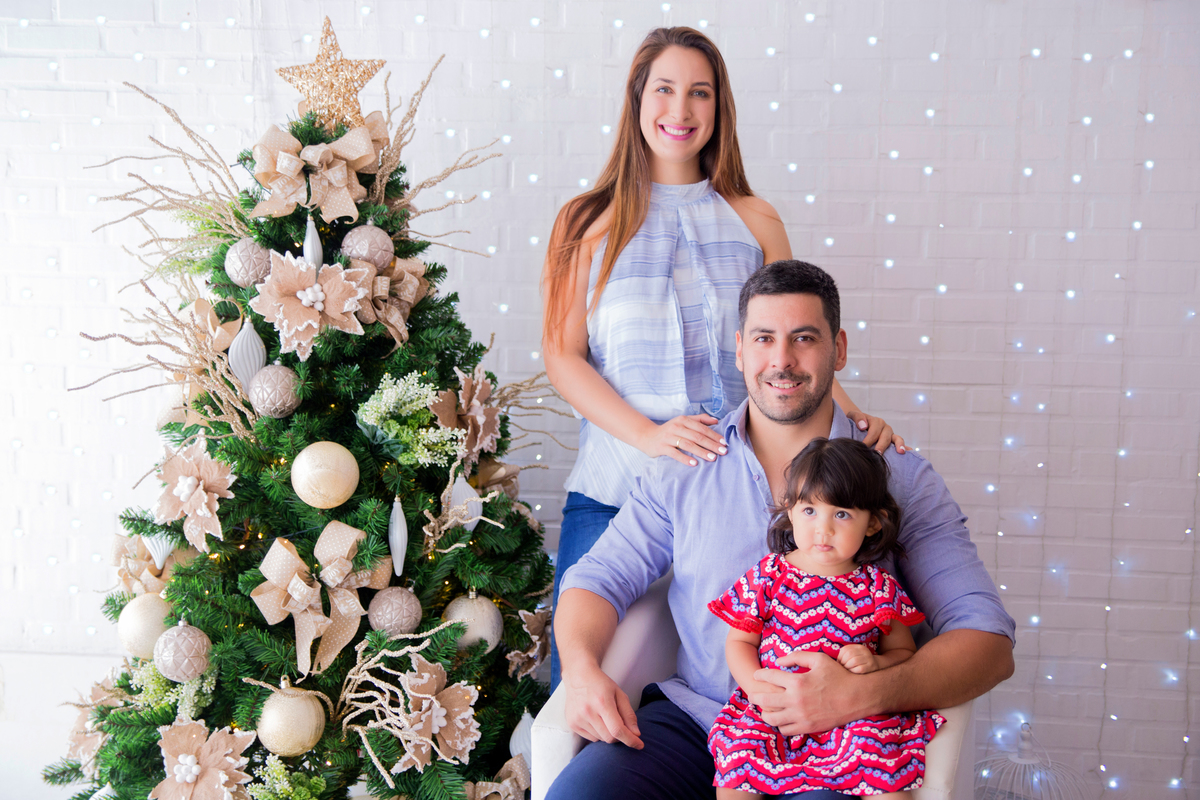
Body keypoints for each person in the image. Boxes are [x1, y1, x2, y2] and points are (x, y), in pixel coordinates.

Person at [549, 260, 1016, 800]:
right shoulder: (685, 466)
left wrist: (860, 696)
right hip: (702, 722)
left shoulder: (898, 476)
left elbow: (987, 640)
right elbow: (600, 577)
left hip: (839, 744)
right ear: (741, 349)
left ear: (838, 349)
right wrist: (581, 670)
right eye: (764, 338)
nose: (782, 360)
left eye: (804, 338)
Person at [542, 27, 900, 687]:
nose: (681, 112)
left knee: (743, 679)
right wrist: (650, 437)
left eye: (699, 93)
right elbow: (564, 359)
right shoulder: (585, 221)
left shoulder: (755, 219)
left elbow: (793, 342)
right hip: (617, 489)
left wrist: (854, 419)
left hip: (743, 498)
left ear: (719, 107)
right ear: (637, 100)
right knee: (582, 684)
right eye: (666, 90)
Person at [708, 437, 944, 799]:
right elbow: (740, 640)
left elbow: (903, 654)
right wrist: (756, 688)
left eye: (842, 514)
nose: (824, 528)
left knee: (884, 767)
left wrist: (874, 661)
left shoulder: (877, 587)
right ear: (789, 510)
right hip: (773, 704)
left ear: (872, 525)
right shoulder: (770, 575)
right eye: (809, 511)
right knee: (739, 761)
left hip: (849, 713)